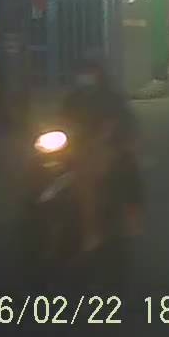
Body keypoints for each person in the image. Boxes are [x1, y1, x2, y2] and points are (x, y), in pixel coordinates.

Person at [59, 59, 143, 253]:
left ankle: (100, 228)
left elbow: (124, 124)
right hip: (79, 146)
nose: (85, 77)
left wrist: (116, 139)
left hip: (112, 146)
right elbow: (61, 120)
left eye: (89, 73)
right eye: (83, 73)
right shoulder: (74, 98)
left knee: (127, 170)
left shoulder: (112, 99)